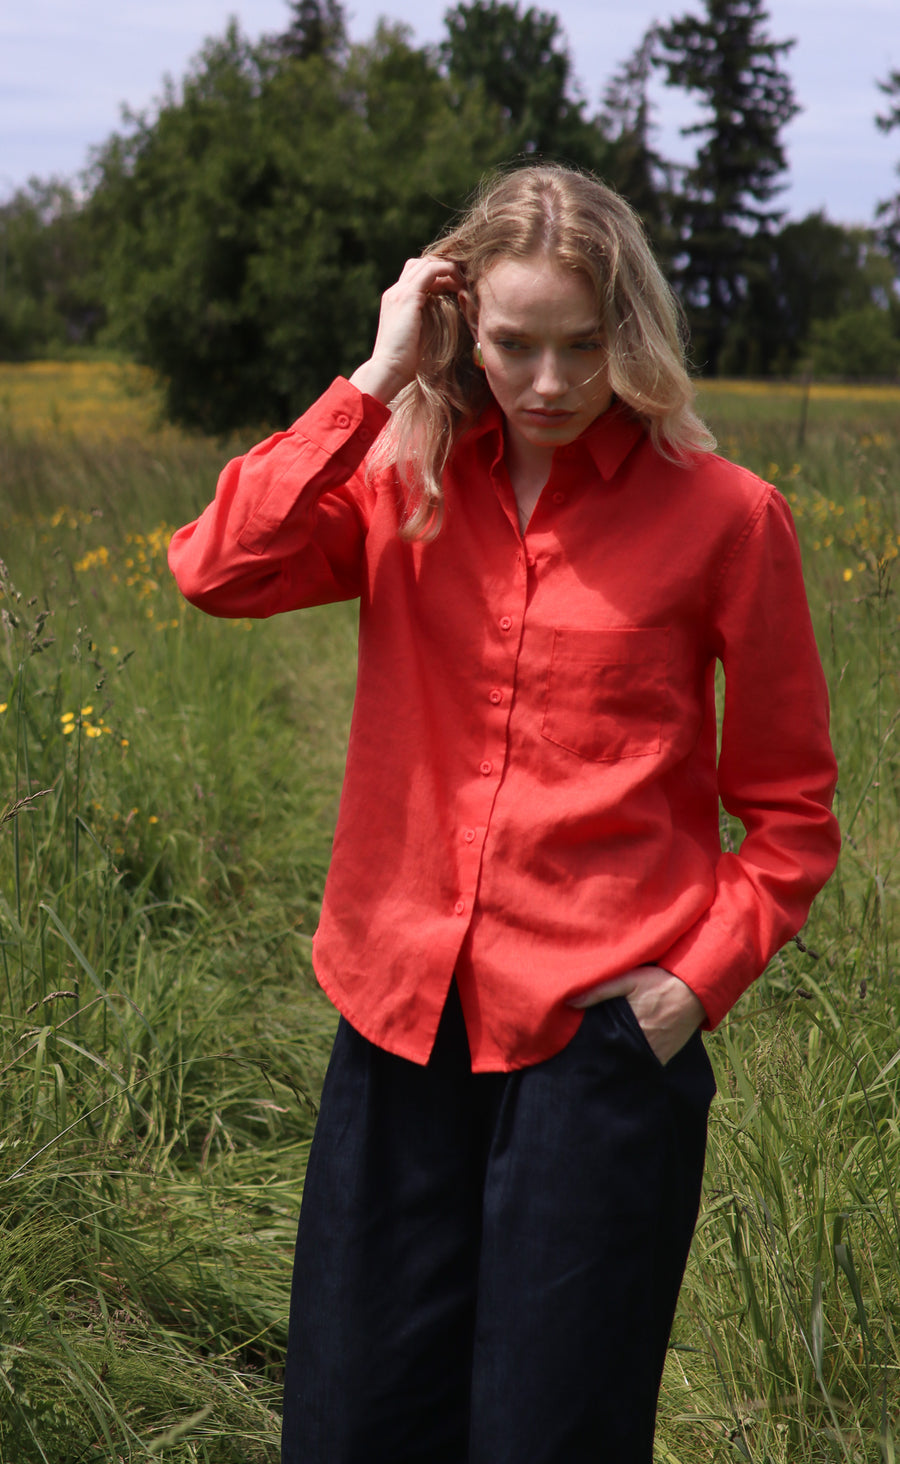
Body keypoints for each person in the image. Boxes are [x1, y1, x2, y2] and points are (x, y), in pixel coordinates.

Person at [168, 164, 840, 1463]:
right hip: (397, 1023)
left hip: (600, 1049)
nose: (548, 381)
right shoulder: (396, 482)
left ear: (629, 334)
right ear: (462, 328)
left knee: (550, 1435)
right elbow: (215, 567)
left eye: (582, 345)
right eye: (515, 343)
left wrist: (689, 990)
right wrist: (375, 379)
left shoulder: (729, 519)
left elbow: (792, 811)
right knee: (353, 1424)